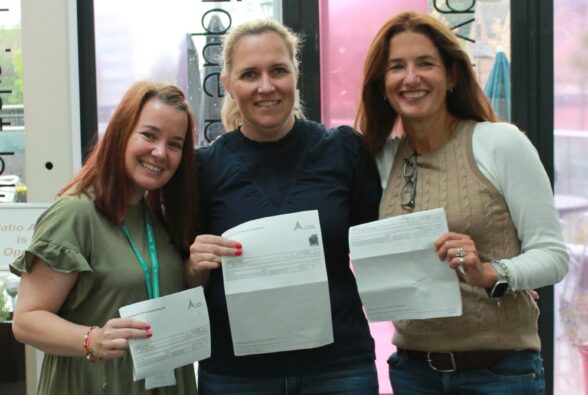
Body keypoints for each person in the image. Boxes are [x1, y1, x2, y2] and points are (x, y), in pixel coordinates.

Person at [355, 11, 569, 395]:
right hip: (413, 371)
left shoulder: (500, 143)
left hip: (501, 373)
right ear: (382, 84)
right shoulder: (380, 159)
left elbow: (553, 256)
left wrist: (490, 273)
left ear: (452, 75)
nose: (411, 78)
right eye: (396, 67)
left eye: (425, 64)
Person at [185, 19, 381, 395]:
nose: (265, 86)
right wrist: (194, 266)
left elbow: (376, 247)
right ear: (228, 84)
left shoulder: (343, 151)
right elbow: (184, 279)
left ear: (296, 73)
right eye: (249, 74)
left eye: (278, 70)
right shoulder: (203, 169)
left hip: (338, 368)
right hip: (236, 376)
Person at [11, 81, 199, 394]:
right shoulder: (75, 214)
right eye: (149, 135)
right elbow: (26, 321)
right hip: (96, 384)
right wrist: (92, 339)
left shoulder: (158, 216)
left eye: (175, 144)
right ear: (121, 133)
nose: (160, 152)